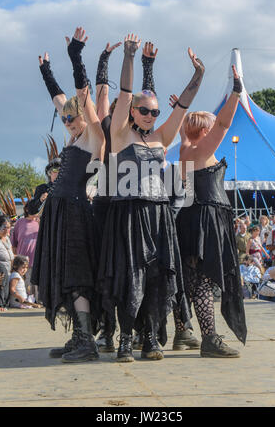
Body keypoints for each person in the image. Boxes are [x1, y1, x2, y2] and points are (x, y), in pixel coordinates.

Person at [97, 35, 203, 362]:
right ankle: (126, 339)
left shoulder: (161, 137)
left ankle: (150, 338)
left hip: (158, 216)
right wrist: (129, 58)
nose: (150, 116)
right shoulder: (119, 132)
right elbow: (127, 93)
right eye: (144, 111)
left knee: (157, 278)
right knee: (132, 277)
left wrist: (198, 75)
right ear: (133, 112)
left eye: (155, 112)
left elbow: (182, 107)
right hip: (127, 215)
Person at [32, 27, 105, 363]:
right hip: (59, 213)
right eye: (64, 118)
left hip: (75, 211)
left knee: (77, 274)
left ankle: (87, 341)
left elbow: (82, 95)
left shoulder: (91, 137)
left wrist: (76, 56)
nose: (67, 121)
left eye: (72, 117)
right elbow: (60, 99)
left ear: (83, 116)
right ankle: (79, 336)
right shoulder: (72, 132)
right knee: (65, 273)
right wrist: (46, 71)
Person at [176, 64, 247, 358]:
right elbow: (224, 125)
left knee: (191, 283)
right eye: (210, 124)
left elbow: (187, 134)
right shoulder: (203, 151)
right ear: (204, 131)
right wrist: (236, 91)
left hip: (191, 218)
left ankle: (184, 331)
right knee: (203, 282)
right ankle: (209, 339)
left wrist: (181, 119)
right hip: (208, 218)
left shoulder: (184, 151)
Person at [11, 202, 40, 299]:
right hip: (23, 260)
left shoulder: (40, 222)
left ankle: (37, 301)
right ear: (27, 209)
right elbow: (14, 242)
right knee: (25, 285)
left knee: (37, 285)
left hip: (37, 259)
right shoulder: (20, 222)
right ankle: (27, 302)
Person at [28, 136, 61, 216]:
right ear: (50, 173)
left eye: (61, 171)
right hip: (48, 225)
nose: (59, 173)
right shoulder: (42, 188)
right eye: (56, 170)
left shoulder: (69, 188)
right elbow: (31, 211)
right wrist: (40, 200)